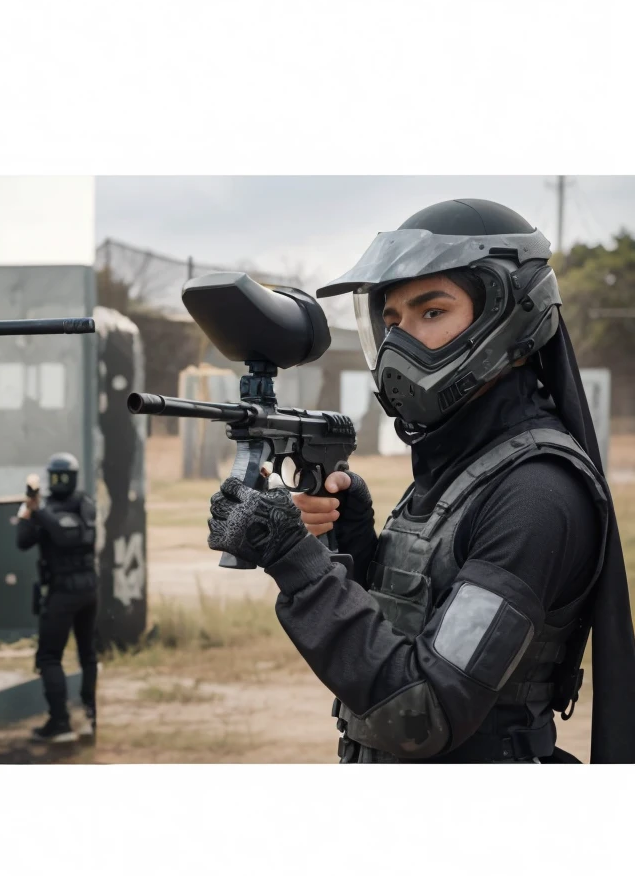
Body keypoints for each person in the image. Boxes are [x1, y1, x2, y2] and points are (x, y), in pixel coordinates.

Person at [207, 198, 635, 763]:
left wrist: (295, 561)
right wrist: (356, 544)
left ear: (507, 316)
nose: (398, 346)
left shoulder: (536, 494)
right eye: (391, 322)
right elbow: (395, 648)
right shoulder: (462, 466)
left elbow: (424, 712)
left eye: (431, 312)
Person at [16, 452, 98, 743]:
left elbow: (71, 536)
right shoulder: (48, 506)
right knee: (65, 656)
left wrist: (39, 512)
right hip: (77, 589)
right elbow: (22, 541)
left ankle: (69, 722)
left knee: (57, 656)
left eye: (64, 477)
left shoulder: (83, 503)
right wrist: (29, 510)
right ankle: (76, 719)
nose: (60, 482)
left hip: (70, 591)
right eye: (56, 476)